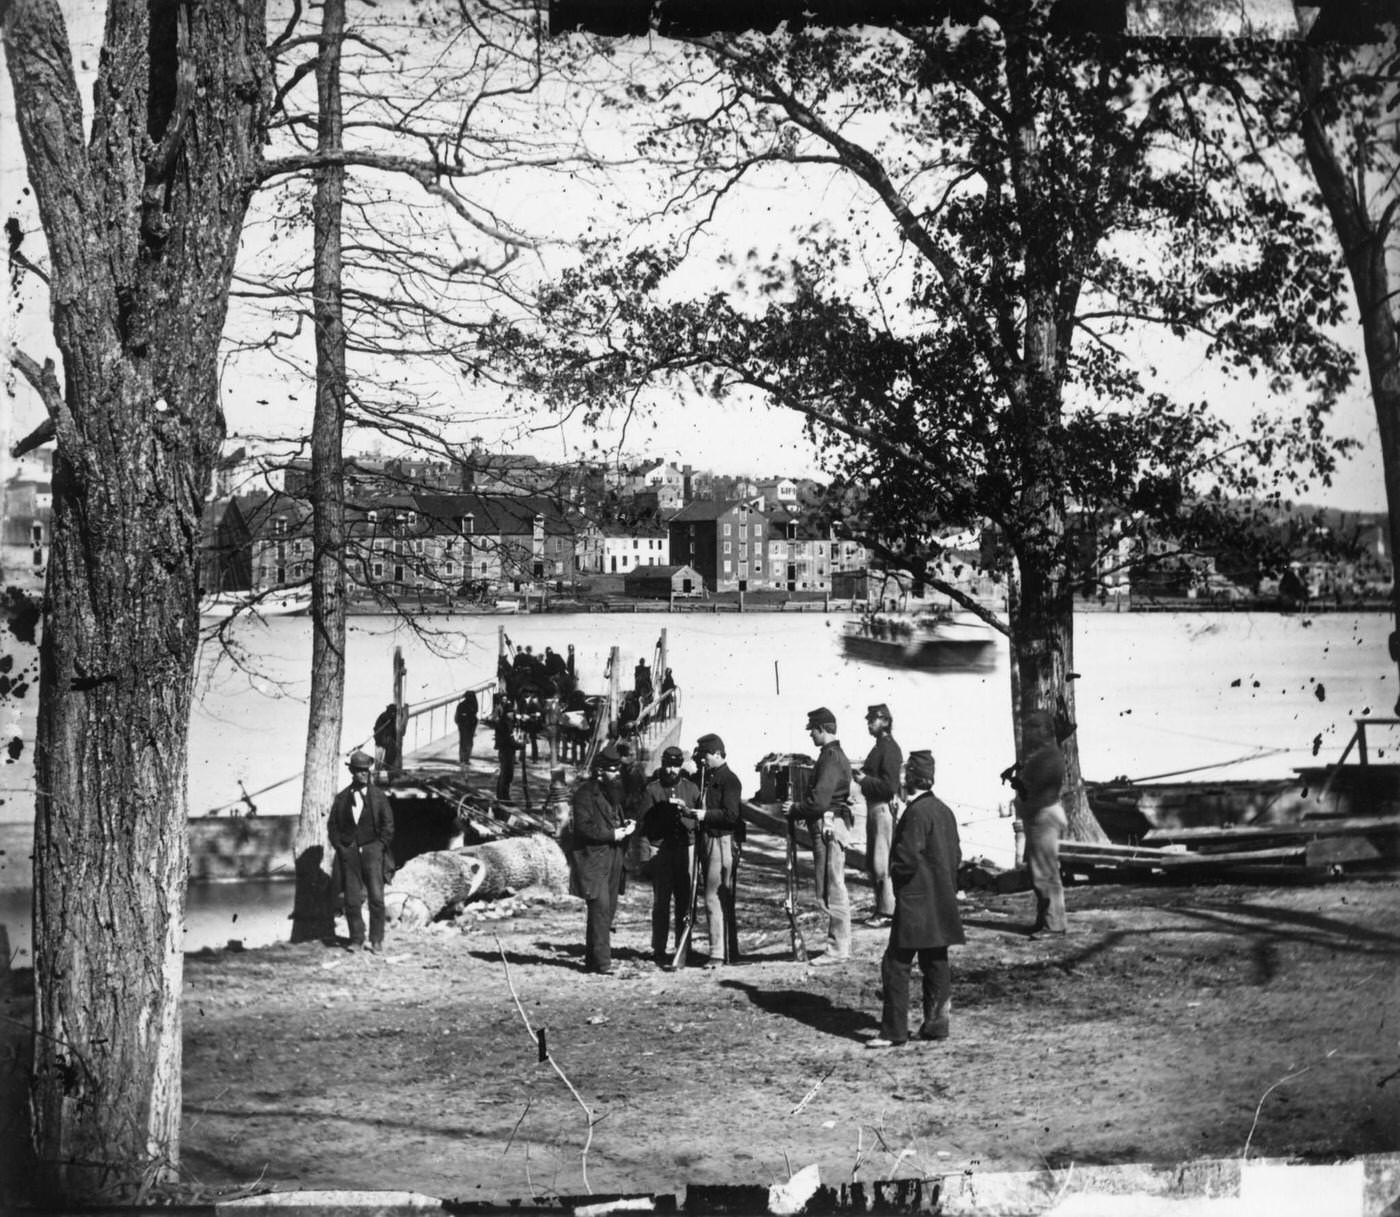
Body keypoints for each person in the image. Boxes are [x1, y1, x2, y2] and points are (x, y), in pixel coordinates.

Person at [866, 749, 965, 1048]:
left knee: (895, 965)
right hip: (941, 902)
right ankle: (936, 1026)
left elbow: (906, 859)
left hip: (916, 904)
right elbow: (956, 856)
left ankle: (893, 1032)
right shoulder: (944, 810)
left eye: (904, 774)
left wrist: (895, 875)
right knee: (936, 962)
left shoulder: (916, 813)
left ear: (911, 778)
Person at [783, 706, 854, 964]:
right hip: (830, 825)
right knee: (830, 886)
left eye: (812, 730)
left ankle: (837, 949)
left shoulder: (831, 757)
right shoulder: (832, 755)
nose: (810, 735)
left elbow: (820, 801)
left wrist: (795, 808)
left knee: (833, 887)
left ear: (822, 729)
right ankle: (838, 945)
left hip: (829, 826)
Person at [569, 744, 636, 974]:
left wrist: (625, 825)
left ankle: (592, 960)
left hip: (614, 859)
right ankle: (603, 963)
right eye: (612, 770)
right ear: (599, 771)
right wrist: (612, 834)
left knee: (607, 911)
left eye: (618, 769)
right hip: (593, 860)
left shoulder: (614, 792)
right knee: (600, 909)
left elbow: (614, 817)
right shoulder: (585, 794)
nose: (617, 774)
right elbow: (583, 827)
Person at [640, 744, 702, 968]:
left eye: (675, 766)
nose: (671, 771)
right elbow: (644, 824)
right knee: (661, 902)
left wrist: (686, 814)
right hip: (661, 852)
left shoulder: (692, 789)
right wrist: (645, 856)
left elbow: (699, 821)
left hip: (686, 850)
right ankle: (658, 948)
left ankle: (683, 948)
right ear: (662, 764)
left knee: (685, 901)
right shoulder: (652, 790)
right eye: (667, 765)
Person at [328, 750, 395, 954]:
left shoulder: (378, 797)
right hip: (349, 853)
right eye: (359, 771)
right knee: (352, 900)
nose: (363, 774)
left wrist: (379, 846)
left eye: (366, 771)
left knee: (376, 897)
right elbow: (333, 826)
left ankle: (376, 940)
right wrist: (341, 846)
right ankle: (356, 938)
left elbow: (388, 824)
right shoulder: (341, 798)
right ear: (352, 772)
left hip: (372, 851)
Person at [693, 733, 746, 967]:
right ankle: (729, 952)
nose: (702, 762)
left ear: (717, 754)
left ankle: (717, 954)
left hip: (721, 841)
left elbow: (732, 815)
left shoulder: (729, 780)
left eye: (705, 757)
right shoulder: (709, 776)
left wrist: (705, 815)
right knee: (720, 897)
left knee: (714, 897)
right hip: (710, 840)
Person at [1016, 707, 1069, 939]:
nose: (1028, 733)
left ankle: (1054, 924)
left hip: (1043, 815)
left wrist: (1021, 791)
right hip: (1039, 815)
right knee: (1039, 871)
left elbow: (1039, 791)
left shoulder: (1049, 756)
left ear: (1047, 730)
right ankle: (1045, 920)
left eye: (1034, 728)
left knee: (1045, 871)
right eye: (1027, 728)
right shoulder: (1042, 754)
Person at [858, 703, 904, 927]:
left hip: (882, 808)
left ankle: (887, 912)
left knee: (881, 862)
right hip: (874, 808)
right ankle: (883, 909)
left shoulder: (890, 749)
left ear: (885, 721)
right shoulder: (879, 747)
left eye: (873, 720)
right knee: (873, 861)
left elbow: (889, 787)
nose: (869, 724)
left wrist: (863, 780)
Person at [494, 702, 519, 801]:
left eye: (512, 712)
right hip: (506, 752)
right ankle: (504, 797)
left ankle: (501, 795)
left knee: (504, 774)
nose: (512, 714)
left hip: (506, 751)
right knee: (507, 775)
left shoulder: (506, 722)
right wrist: (520, 745)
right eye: (510, 712)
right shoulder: (505, 724)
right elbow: (509, 740)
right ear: (506, 713)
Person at [373, 703, 401, 773]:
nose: (393, 714)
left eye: (394, 712)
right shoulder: (385, 716)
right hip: (381, 741)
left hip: (384, 741)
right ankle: (382, 771)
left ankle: (385, 770)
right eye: (393, 712)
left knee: (385, 759)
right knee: (380, 761)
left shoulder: (390, 717)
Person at [454, 690, 479, 768]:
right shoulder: (463, 705)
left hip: (470, 725)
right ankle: (464, 759)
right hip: (465, 725)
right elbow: (458, 717)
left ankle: (465, 759)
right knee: (465, 743)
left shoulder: (473, 704)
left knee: (467, 743)